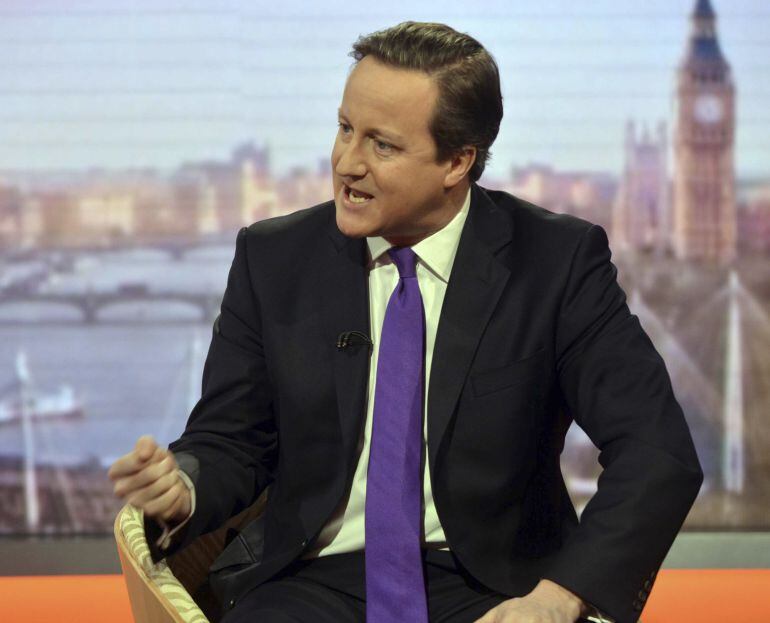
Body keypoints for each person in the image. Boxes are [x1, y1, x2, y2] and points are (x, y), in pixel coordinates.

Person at [108, 21, 703, 623]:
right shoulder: (273, 258)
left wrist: (559, 597)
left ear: (457, 161)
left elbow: (656, 452)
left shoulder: (554, 263)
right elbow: (231, 438)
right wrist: (184, 485)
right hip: (309, 579)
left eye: (382, 145)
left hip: (495, 584)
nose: (347, 162)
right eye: (344, 129)